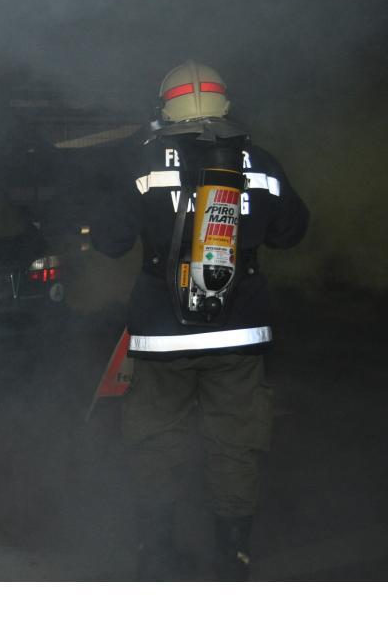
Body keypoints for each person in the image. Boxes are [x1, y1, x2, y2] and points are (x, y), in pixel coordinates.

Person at [91, 60, 309, 581]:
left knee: (156, 442)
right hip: (240, 335)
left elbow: (109, 240)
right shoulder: (258, 160)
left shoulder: (144, 162)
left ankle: (156, 555)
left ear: (164, 108)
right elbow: (291, 232)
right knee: (235, 444)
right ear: (225, 104)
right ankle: (232, 561)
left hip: (161, 337)